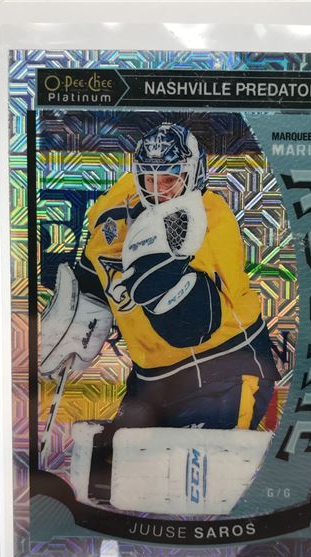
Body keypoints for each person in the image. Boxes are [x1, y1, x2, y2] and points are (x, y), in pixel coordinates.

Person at [40, 122, 279, 501]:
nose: (158, 190)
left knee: (199, 489)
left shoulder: (212, 223)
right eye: (149, 179)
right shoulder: (114, 206)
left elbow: (191, 326)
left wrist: (153, 277)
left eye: (169, 180)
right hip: (151, 380)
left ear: (194, 175)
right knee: (107, 482)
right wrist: (80, 308)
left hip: (223, 374)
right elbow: (95, 266)